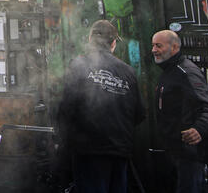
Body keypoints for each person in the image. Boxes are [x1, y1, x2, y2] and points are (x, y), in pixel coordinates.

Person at [57, 19, 145, 192]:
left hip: (89, 152)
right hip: (120, 151)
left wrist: (62, 141)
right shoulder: (128, 71)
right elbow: (139, 114)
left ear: (90, 40)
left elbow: (66, 108)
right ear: (113, 44)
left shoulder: (78, 66)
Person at [151, 30, 208, 193]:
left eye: (158, 46)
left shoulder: (187, 72)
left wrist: (198, 129)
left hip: (190, 155)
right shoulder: (169, 72)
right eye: (153, 45)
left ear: (174, 48)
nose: (153, 50)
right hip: (174, 152)